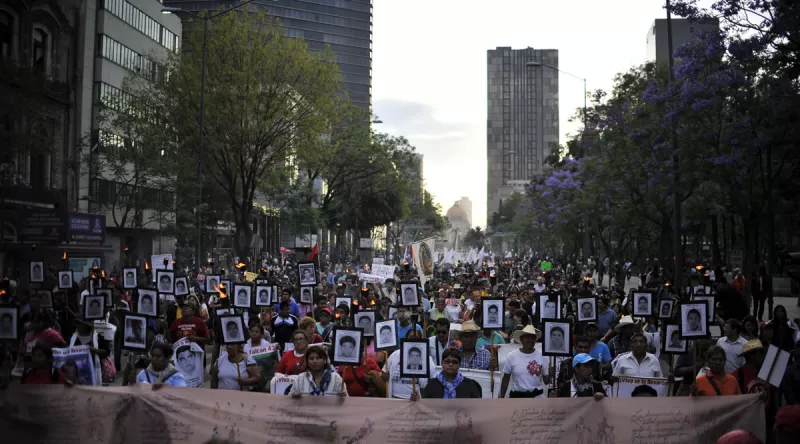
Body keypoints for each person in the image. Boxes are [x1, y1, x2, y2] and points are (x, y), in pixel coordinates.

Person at [382, 328, 435, 399]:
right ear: (405, 339)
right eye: (411, 337)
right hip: (394, 399)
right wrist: (385, 375)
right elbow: (384, 373)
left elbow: (430, 381)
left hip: (414, 400)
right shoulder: (395, 354)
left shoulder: (426, 358)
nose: (413, 340)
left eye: (416, 338)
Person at [500, 325, 550, 398]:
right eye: (527, 337)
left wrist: (550, 375)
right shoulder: (511, 356)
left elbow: (546, 381)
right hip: (517, 398)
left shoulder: (543, 357)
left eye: (532, 337)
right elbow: (505, 379)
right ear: (521, 339)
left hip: (537, 398)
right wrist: (501, 398)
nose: (530, 340)